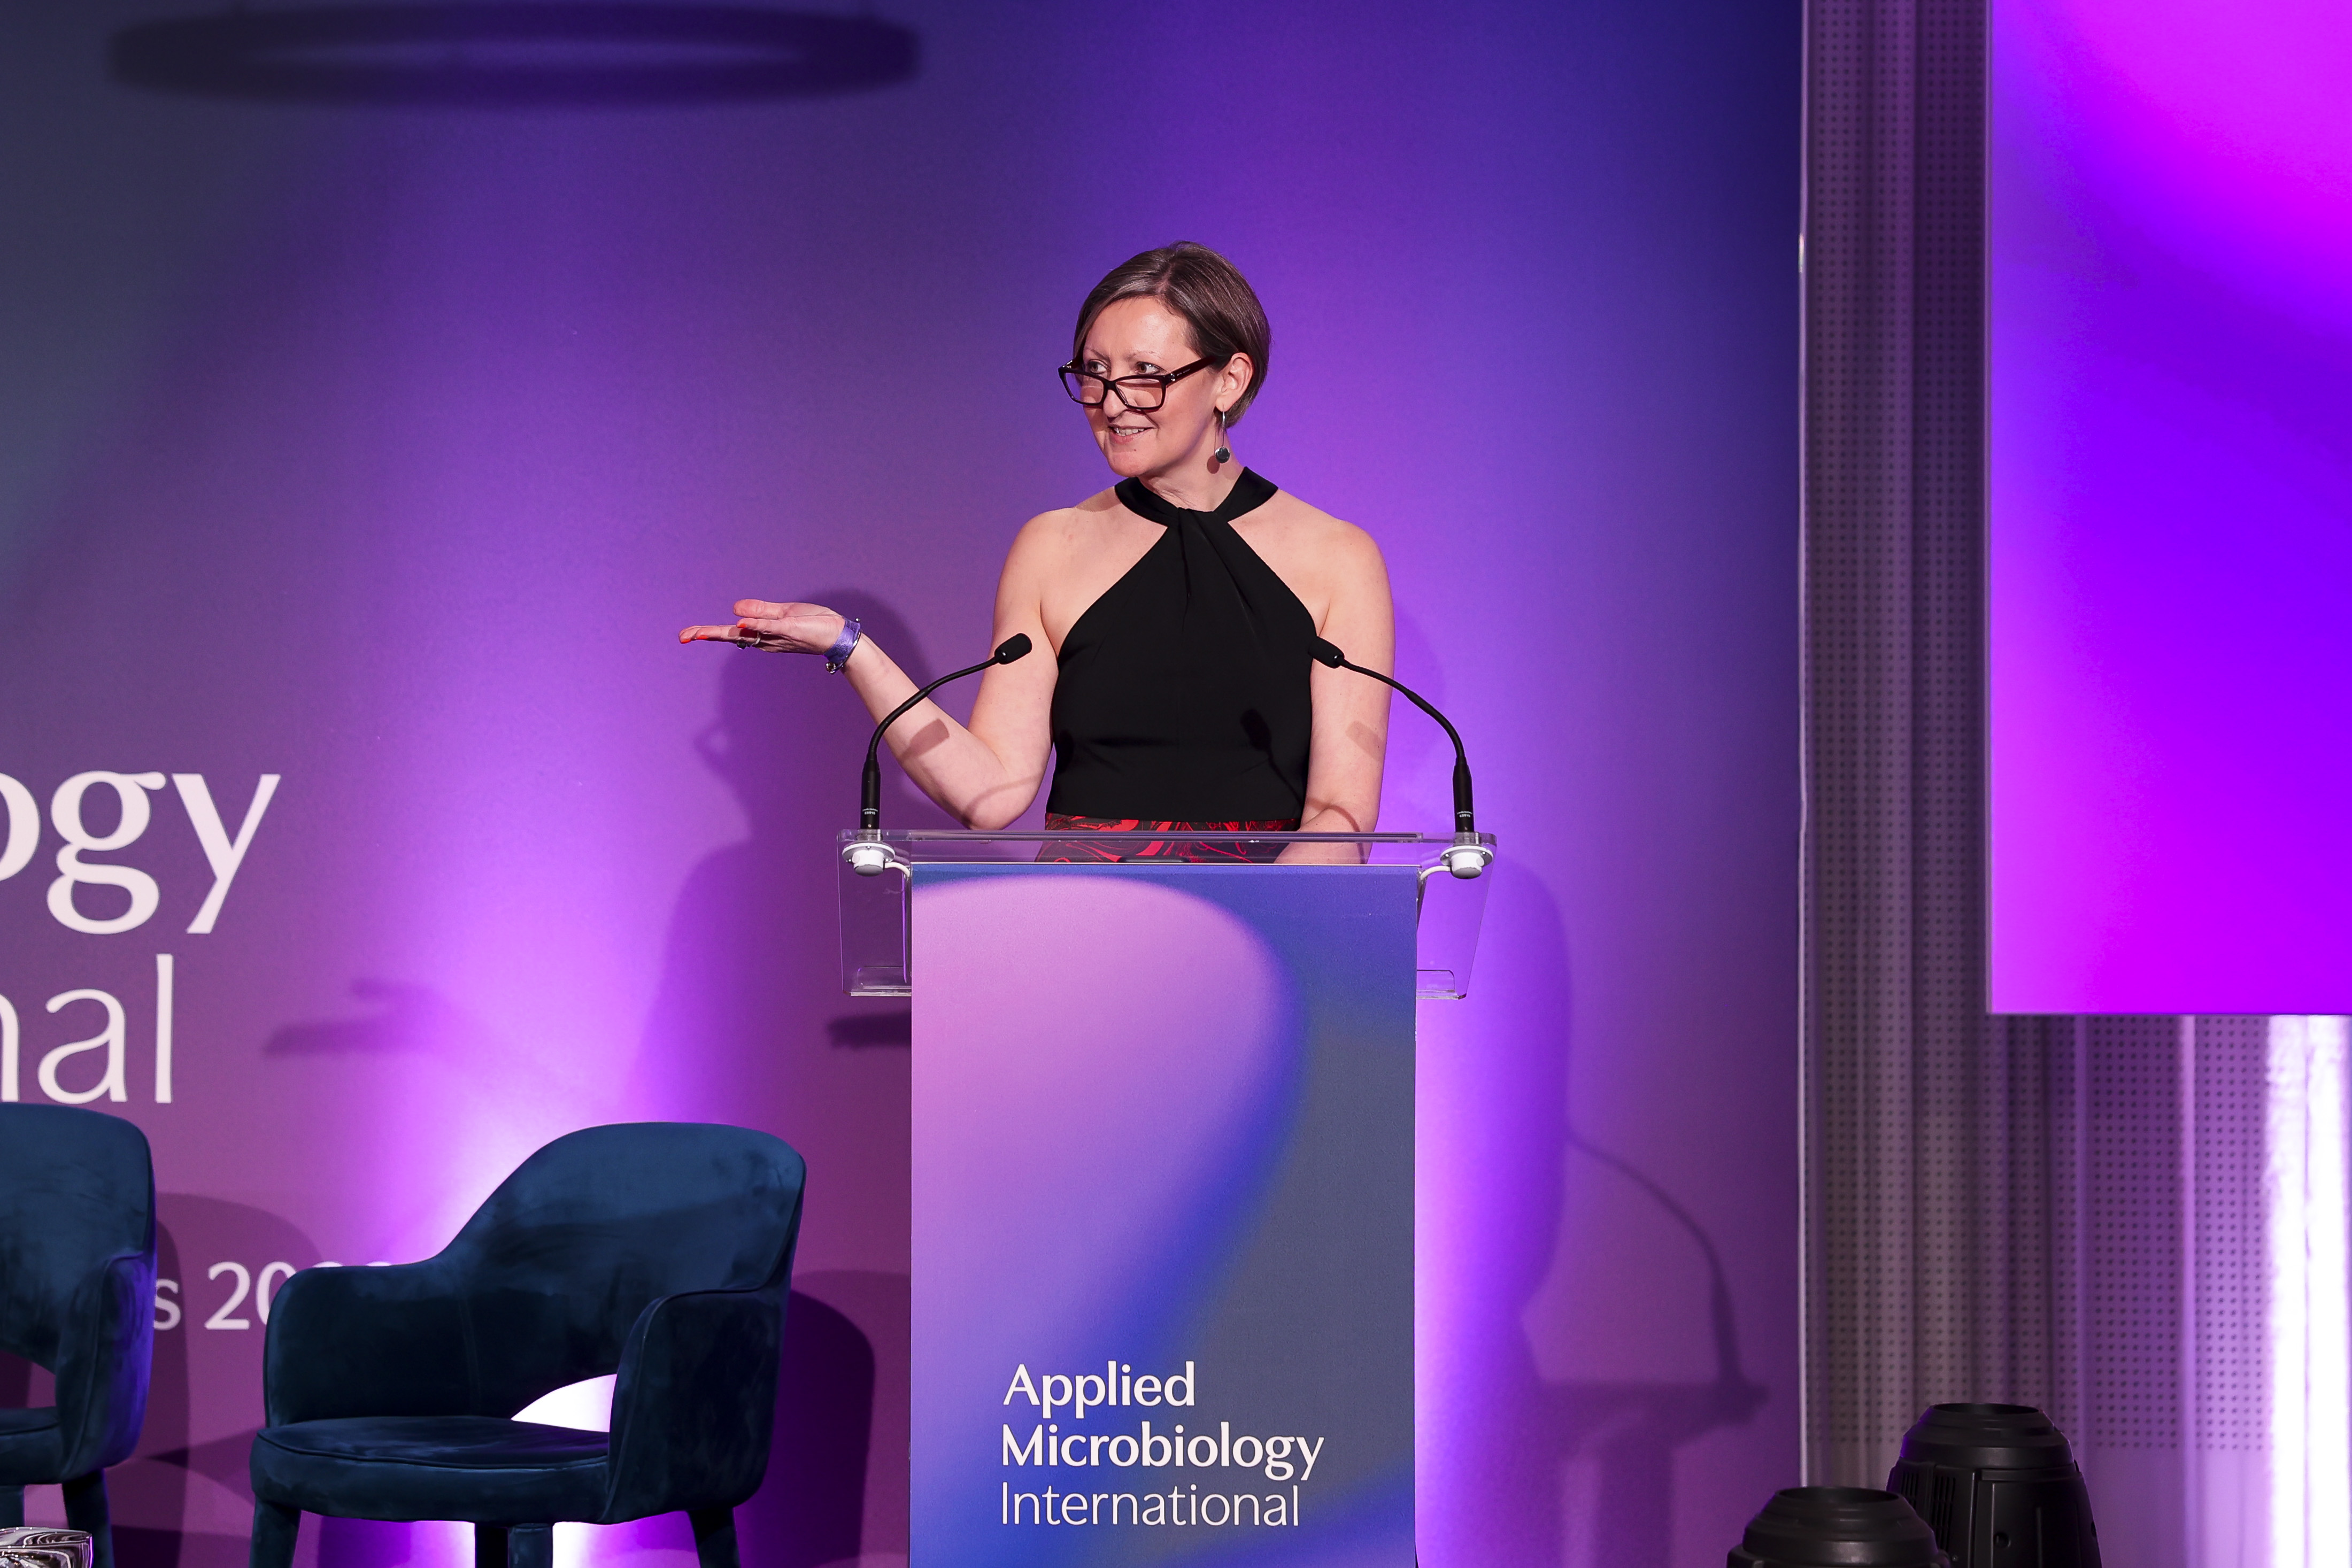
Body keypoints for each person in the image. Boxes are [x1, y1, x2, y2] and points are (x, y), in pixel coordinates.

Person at [679, 242, 1394, 849]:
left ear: (1229, 380)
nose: (1112, 402)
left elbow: (1341, 820)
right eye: (1094, 372)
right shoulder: (1052, 545)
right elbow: (992, 793)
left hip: (1273, 949)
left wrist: (1250, 947)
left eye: (1145, 376)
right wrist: (851, 647)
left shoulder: (1336, 558)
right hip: (1080, 943)